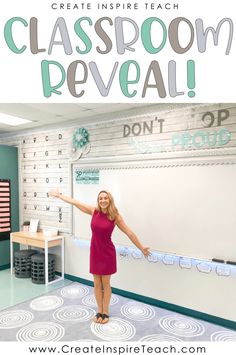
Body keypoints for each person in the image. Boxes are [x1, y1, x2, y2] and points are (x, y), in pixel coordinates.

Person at [49, 189, 150, 324]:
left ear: (110, 200)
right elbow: (75, 202)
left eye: (105, 198)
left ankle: (106, 312)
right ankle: (99, 311)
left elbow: (130, 233)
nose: (103, 200)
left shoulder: (115, 216)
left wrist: (141, 248)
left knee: (106, 284)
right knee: (96, 284)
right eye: (100, 198)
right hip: (95, 251)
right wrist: (59, 196)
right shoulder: (94, 211)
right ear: (98, 200)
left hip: (107, 253)